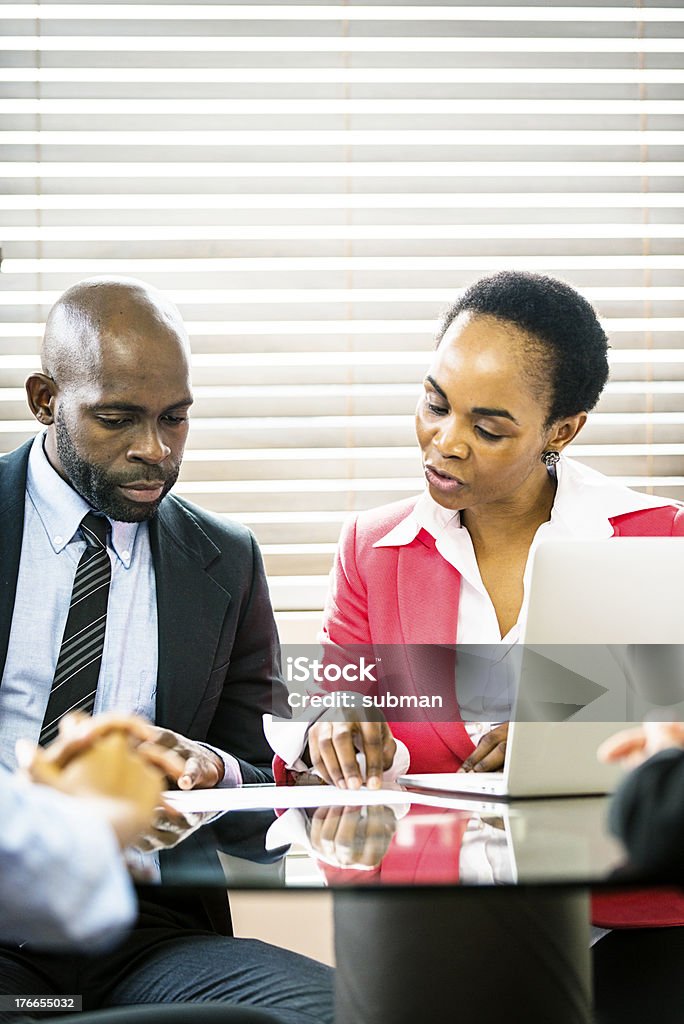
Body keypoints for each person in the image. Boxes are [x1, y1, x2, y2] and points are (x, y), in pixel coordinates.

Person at [267, 271, 683, 1022]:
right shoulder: (373, 548)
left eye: (489, 428)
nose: (446, 441)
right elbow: (326, 696)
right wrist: (330, 721)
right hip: (432, 920)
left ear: (562, 430)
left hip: (629, 920)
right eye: (434, 402)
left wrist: (568, 736)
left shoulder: (660, 543)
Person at [0, 278, 332, 1024]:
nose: (154, 451)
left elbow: (269, 802)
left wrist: (213, 773)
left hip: (149, 938)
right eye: (118, 419)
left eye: (175, 420)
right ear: (46, 399)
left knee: (340, 1010)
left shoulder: (225, 560)